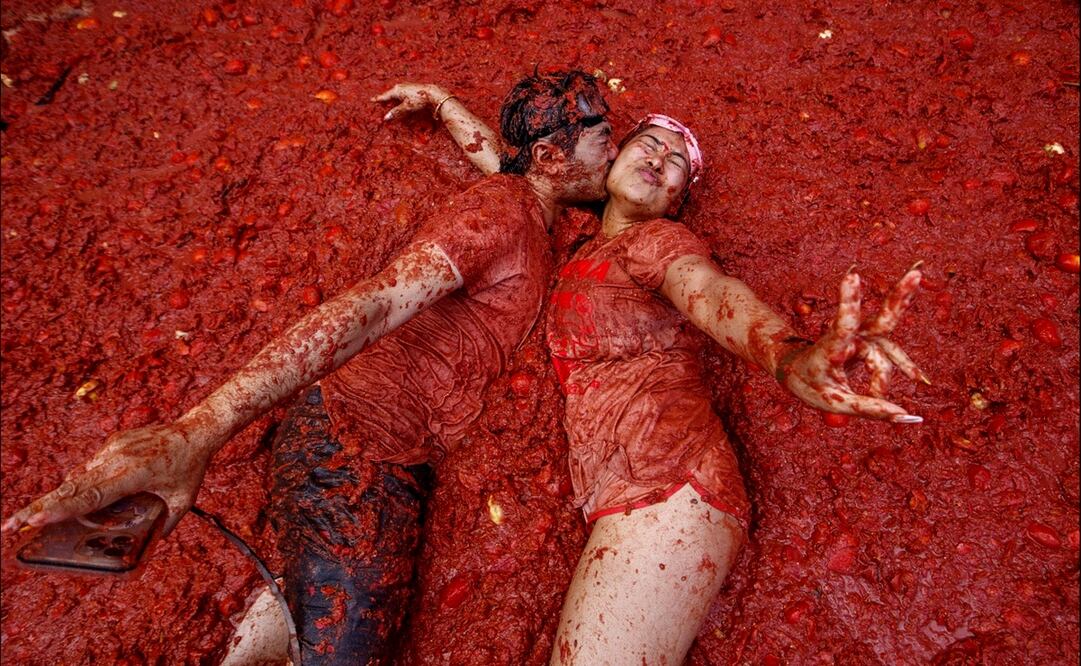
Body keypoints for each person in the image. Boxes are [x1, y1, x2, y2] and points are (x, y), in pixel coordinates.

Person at [3, 70, 618, 665]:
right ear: (551, 157)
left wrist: (446, 104)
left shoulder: (532, 201)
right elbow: (373, 306)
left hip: (385, 451)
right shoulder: (499, 215)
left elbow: (500, 157)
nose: (615, 150)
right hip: (351, 452)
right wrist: (198, 431)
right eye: (604, 138)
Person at [425, 103, 926, 664]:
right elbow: (513, 166)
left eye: (677, 165)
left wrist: (790, 358)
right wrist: (442, 103)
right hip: (627, 495)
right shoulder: (574, 236)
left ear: (675, 201)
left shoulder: (658, 242)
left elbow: (709, 292)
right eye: (650, 145)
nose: (661, 159)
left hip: (673, 487)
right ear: (612, 159)